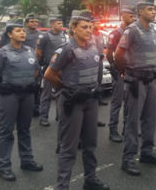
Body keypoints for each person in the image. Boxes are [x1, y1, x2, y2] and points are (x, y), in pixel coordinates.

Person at [44, 10, 110, 190]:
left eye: (90, 27)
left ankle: (90, 179)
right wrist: (66, 89)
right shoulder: (66, 49)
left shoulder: (94, 46)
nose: (89, 30)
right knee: (69, 148)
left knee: (90, 144)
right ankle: (62, 186)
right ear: (73, 28)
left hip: (91, 101)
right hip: (73, 103)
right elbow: (49, 74)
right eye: (84, 27)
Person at [115, 0, 156, 176]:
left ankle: (147, 152)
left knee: (150, 118)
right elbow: (118, 54)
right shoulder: (132, 30)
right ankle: (128, 159)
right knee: (132, 121)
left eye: (154, 9)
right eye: (150, 9)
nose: (154, 12)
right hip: (136, 81)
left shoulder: (153, 31)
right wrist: (127, 74)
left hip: (151, 80)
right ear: (141, 12)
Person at [0, 19, 43, 181]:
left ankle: (27, 160)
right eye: (18, 31)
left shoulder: (30, 51)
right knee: (6, 131)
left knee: (25, 129)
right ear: (9, 34)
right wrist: (5, 85)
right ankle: (4, 166)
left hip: (27, 95)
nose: (22, 33)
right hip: (10, 96)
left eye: (23, 31)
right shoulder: (2, 52)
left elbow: (36, 72)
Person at [106, 5, 135, 143]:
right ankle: (113, 130)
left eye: (134, 16)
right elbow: (109, 52)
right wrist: (114, 67)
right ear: (123, 16)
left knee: (130, 103)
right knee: (117, 102)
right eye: (131, 16)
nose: (133, 18)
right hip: (120, 72)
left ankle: (127, 129)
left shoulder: (134, 31)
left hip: (132, 72)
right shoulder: (116, 33)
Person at [36, 17, 67, 127]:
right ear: (52, 25)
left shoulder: (63, 35)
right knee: (46, 94)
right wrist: (41, 64)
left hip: (60, 69)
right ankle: (43, 117)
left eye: (61, 23)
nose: (61, 25)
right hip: (48, 68)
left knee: (60, 92)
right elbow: (38, 52)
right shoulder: (45, 36)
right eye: (59, 23)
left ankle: (60, 115)